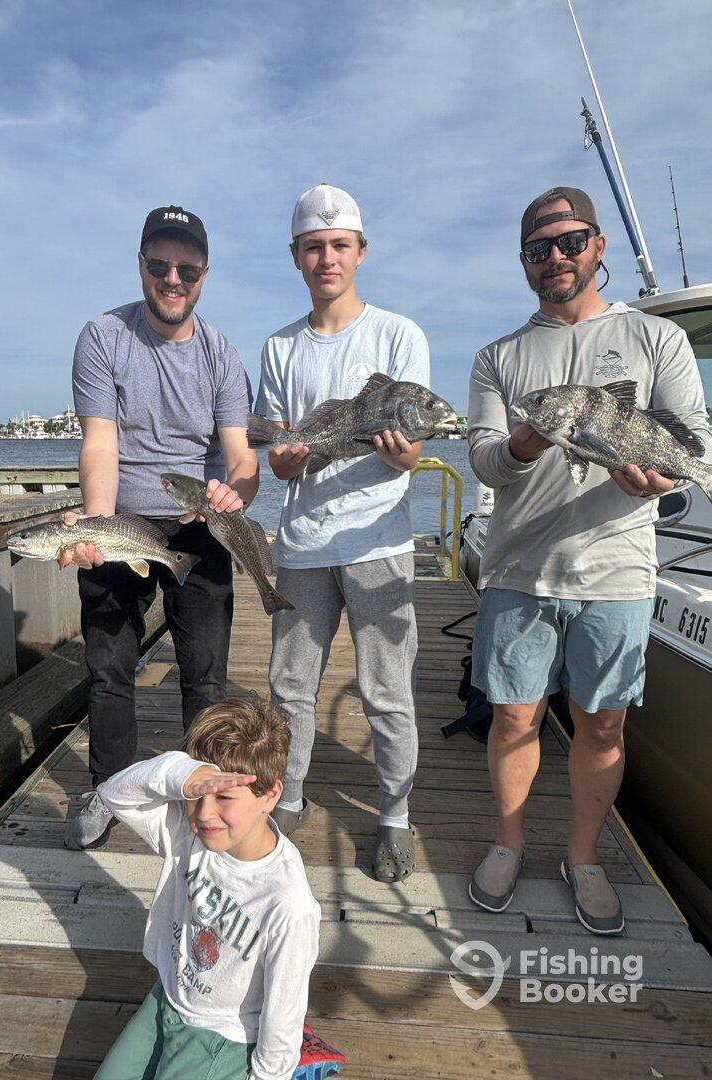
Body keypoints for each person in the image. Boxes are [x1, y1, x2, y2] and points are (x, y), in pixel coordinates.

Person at [467, 186, 711, 933]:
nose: (556, 258)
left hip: (618, 572)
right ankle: (508, 843)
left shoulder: (655, 340)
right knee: (514, 719)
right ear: (524, 262)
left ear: (598, 246)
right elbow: (481, 459)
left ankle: (584, 857)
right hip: (517, 567)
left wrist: (662, 475)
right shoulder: (497, 356)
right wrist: (525, 442)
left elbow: (686, 436)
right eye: (539, 248)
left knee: (603, 726)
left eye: (571, 241)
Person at [63, 204, 259, 849]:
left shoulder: (223, 355)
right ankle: (109, 790)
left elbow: (240, 454)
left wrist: (236, 491)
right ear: (142, 265)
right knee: (108, 669)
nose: (172, 279)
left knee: (205, 673)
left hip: (197, 525)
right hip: (122, 517)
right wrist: (97, 527)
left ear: (204, 273)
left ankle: (197, 792)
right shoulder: (102, 336)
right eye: (159, 266)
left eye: (187, 269)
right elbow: (99, 442)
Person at [255, 184, 429, 883]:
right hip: (301, 545)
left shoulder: (398, 335)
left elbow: (415, 450)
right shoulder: (277, 347)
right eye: (313, 247)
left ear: (360, 252)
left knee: (387, 690)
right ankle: (289, 795)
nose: (327, 258)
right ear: (296, 257)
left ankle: (395, 818)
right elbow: (275, 448)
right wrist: (286, 458)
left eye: (339, 246)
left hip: (379, 543)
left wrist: (400, 450)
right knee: (289, 685)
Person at [93, 697, 321, 1080]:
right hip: (167, 998)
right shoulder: (187, 832)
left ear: (271, 794)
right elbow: (115, 793)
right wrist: (183, 773)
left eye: (224, 796)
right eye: (196, 795)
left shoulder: (288, 903)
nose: (203, 813)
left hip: (223, 1035)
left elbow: (284, 1013)